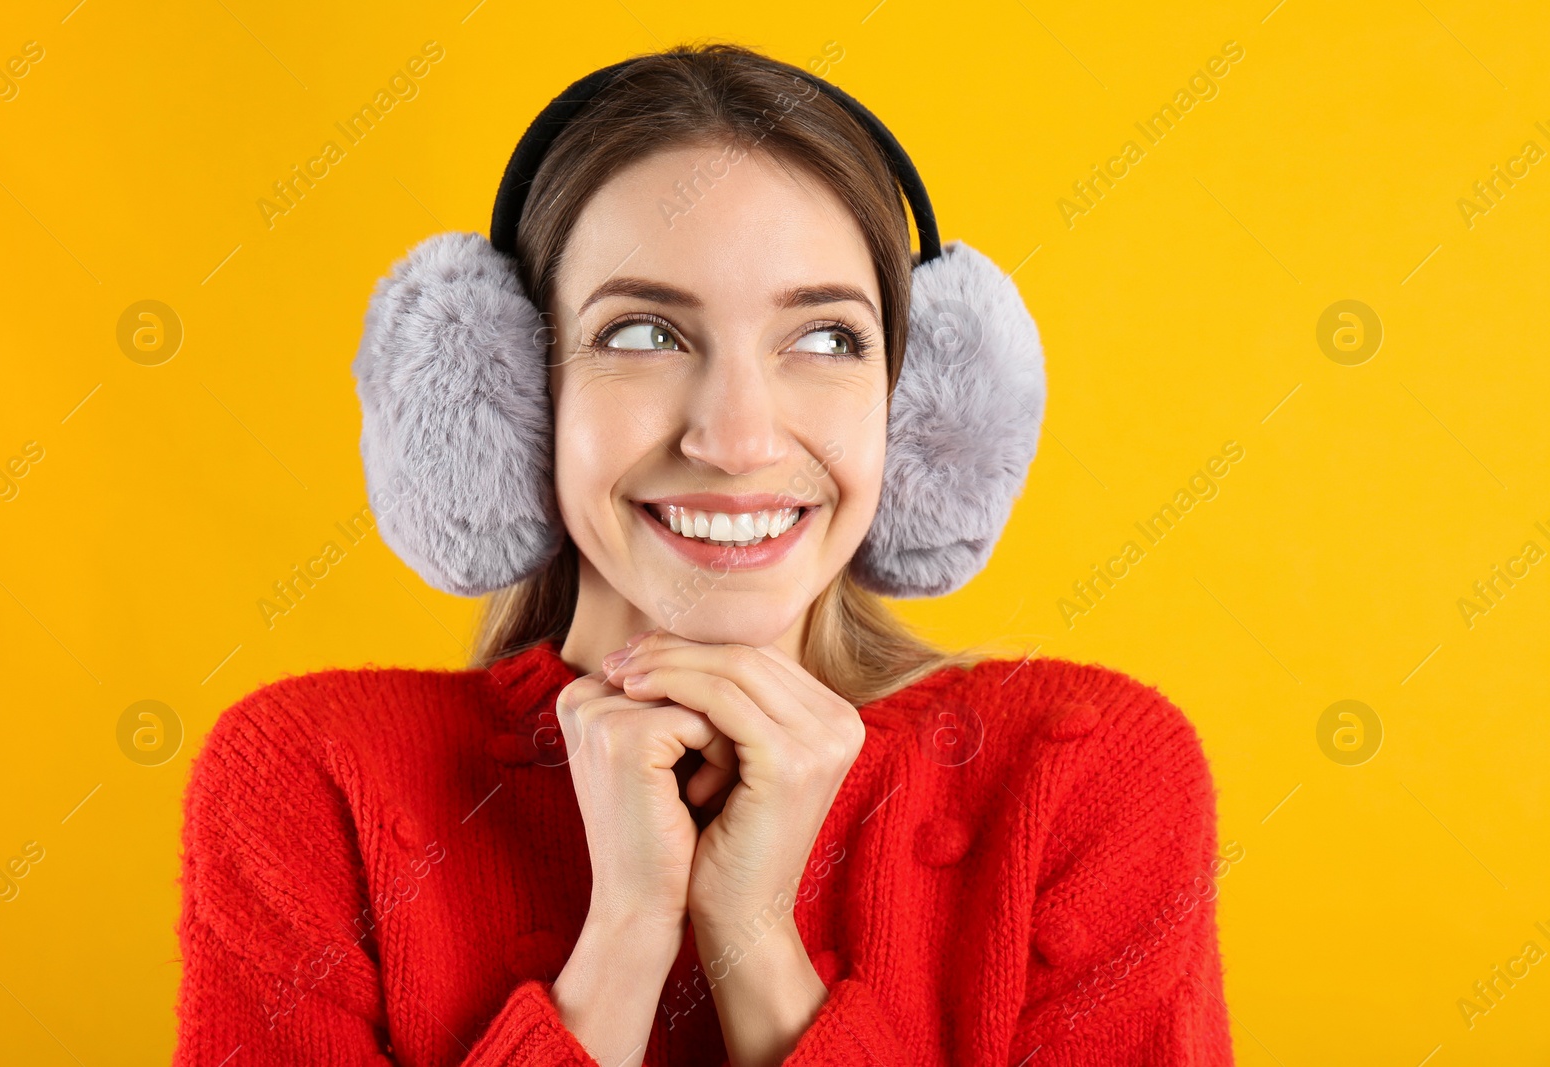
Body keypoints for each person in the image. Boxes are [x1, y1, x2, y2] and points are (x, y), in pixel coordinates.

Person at [174, 42, 1234, 1066]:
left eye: (824, 338)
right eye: (642, 333)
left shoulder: (1081, 774)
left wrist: (753, 936)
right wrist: (628, 933)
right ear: (505, 399)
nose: (735, 441)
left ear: (913, 410)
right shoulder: (311, 778)